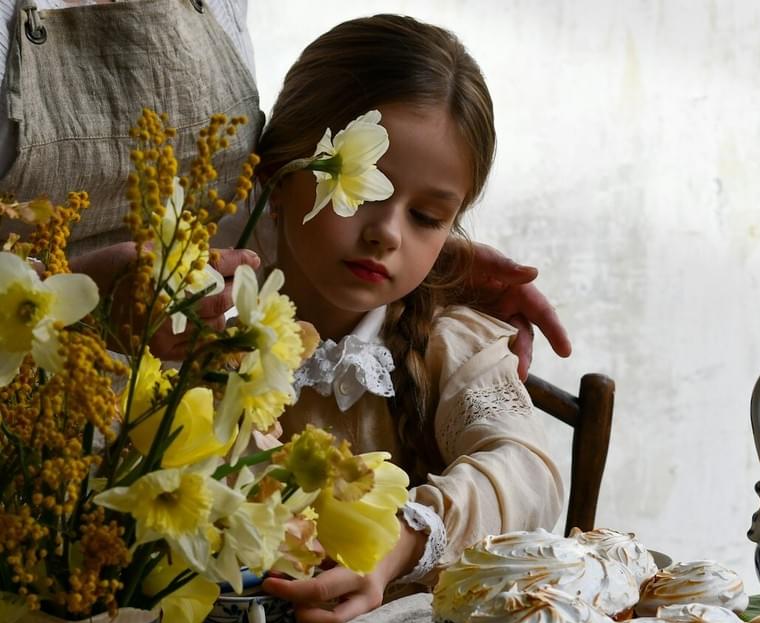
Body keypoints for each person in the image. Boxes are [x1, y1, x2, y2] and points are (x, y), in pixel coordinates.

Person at [0, 0, 569, 375]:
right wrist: (73, 298)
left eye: (428, 215)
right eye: (370, 193)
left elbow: (250, 187)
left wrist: (432, 258)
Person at [253, 15, 563, 623]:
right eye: (363, 187)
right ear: (277, 173)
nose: (387, 232)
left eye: (426, 215)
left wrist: (404, 536)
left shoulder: (451, 345)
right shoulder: (208, 330)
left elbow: (529, 475)